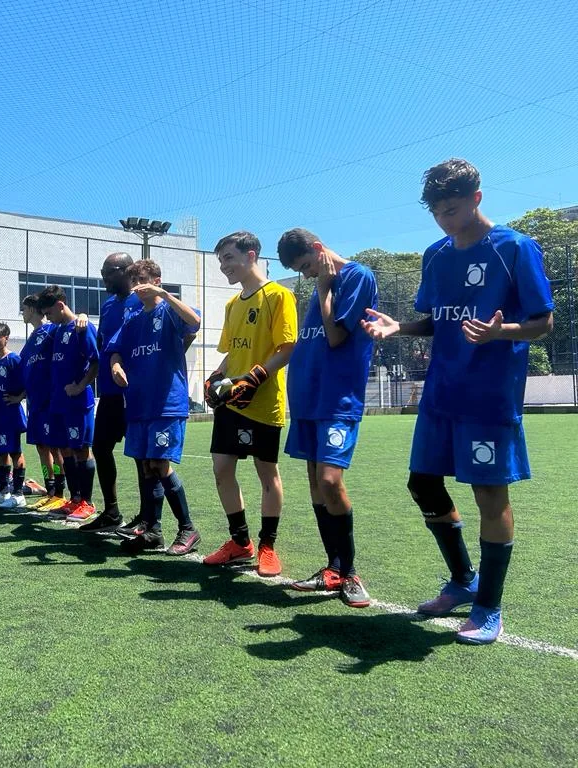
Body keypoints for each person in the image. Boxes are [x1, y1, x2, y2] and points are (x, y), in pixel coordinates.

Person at [361, 158, 554, 644]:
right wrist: (399, 326)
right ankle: (463, 580)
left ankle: (489, 606)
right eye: (437, 213)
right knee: (423, 483)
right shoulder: (436, 255)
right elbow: (436, 319)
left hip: (488, 398)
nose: (446, 220)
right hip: (441, 393)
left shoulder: (515, 248)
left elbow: (542, 321)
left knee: (489, 494)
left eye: (452, 209)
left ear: (477, 198)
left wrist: (500, 332)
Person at [277, 228, 379, 608]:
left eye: (305, 266)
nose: (305, 275)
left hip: (338, 400)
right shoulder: (321, 286)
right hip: (307, 400)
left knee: (330, 480)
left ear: (319, 250)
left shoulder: (356, 277)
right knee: (316, 486)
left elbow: (336, 336)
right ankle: (333, 568)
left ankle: (350, 572)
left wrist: (323, 288)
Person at [202, 231, 297, 576]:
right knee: (222, 469)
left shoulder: (278, 295)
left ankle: (268, 547)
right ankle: (240, 543)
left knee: (266, 472)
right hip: (232, 402)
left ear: (251, 255)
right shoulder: (232, 304)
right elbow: (232, 352)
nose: (224, 266)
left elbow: (286, 348)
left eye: (228, 258)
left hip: (263, 402)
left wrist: (255, 378)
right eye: (221, 260)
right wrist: (215, 376)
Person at [105, 260, 203, 555]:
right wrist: (116, 366)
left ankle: (188, 529)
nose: (136, 286)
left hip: (166, 403)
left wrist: (166, 294)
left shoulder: (169, 311)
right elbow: (115, 349)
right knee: (148, 468)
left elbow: (195, 323)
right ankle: (153, 531)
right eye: (133, 280)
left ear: (157, 280)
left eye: (142, 280)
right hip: (138, 403)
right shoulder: (133, 318)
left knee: (160, 464)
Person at [78, 253, 145, 534]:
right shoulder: (107, 305)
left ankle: (147, 518)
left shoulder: (142, 299)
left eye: (108, 272)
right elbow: (103, 342)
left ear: (125, 270)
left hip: (137, 392)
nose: (103, 277)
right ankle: (112, 511)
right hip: (109, 392)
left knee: (143, 456)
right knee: (102, 447)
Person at [36, 285, 100, 522]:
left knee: (81, 449)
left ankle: (87, 502)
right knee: (64, 450)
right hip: (57, 403)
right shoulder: (57, 330)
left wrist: (80, 386)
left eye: (49, 312)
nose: (47, 318)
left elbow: (96, 362)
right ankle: (74, 499)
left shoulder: (83, 328)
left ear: (60, 305)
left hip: (77, 402)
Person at [19, 294, 67, 512]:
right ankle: (49, 490)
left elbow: (70, 326)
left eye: (24, 308)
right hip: (35, 403)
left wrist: (83, 315)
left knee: (56, 447)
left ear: (32, 308)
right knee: (41, 447)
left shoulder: (52, 330)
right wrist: (20, 395)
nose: (22, 313)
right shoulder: (31, 339)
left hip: (50, 400)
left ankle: (61, 492)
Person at [0, 322, 29, 507]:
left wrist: (18, 397)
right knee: (1, 452)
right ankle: (3, 493)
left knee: (14, 451)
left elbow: (28, 380)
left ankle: (19, 495)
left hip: (10, 413)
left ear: (6, 338)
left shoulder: (14, 359)